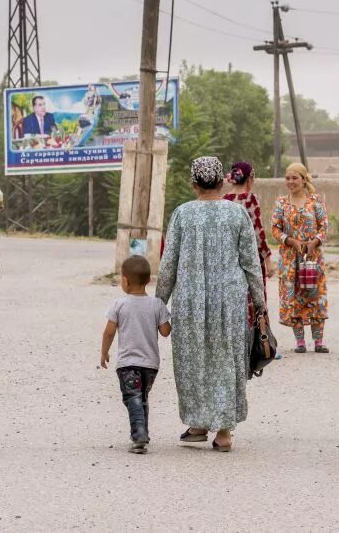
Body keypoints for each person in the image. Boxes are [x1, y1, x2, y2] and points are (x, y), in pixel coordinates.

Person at [157, 156, 265, 452]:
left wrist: (158, 304)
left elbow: (169, 264)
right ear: (222, 182)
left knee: (194, 361)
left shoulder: (183, 214)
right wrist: (260, 302)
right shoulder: (237, 213)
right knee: (227, 360)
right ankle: (223, 431)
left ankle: (199, 422)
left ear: (193, 184)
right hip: (230, 302)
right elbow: (251, 262)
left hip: (191, 301)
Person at [100, 255, 172, 454]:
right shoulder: (157, 305)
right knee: (142, 397)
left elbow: (109, 331)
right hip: (150, 365)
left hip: (127, 364)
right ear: (149, 280)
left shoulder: (119, 304)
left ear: (124, 280)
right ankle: (142, 434)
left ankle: (139, 433)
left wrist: (104, 352)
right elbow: (166, 332)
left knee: (132, 397)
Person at [270, 162, 331, 353]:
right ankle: (300, 342)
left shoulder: (315, 201)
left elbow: (324, 226)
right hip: (290, 260)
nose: (290, 182)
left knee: (315, 295)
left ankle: (318, 342)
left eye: (295, 178)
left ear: (304, 180)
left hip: (312, 258)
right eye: (287, 178)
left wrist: (314, 242)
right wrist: (290, 241)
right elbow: (275, 229)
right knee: (295, 297)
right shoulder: (282, 203)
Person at [223, 161, 273, 329]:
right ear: (250, 178)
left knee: (237, 298)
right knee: (256, 295)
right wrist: (268, 259)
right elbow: (258, 231)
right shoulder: (250, 199)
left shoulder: (225, 200)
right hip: (252, 258)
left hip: (231, 258)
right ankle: (261, 340)